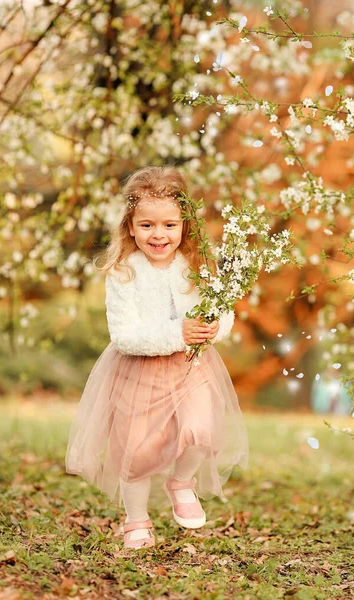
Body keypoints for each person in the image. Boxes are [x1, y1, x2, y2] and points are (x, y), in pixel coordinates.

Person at [65, 166, 249, 550]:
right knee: (138, 450)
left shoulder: (197, 268)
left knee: (201, 431)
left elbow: (222, 310)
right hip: (139, 371)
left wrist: (217, 328)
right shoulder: (123, 273)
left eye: (169, 225)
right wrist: (176, 333)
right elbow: (124, 336)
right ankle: (136, 520)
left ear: (184, 225)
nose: (159, 234)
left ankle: (181, 481)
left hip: (192, 367)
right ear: (130, 227)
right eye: (147, 225)